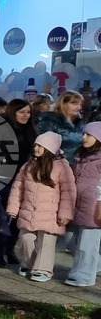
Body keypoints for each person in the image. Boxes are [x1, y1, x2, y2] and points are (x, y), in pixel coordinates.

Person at [6, 132, 75, 283]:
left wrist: (65, 214)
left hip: (51, 214)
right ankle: (28, 263)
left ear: (49, 148)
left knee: (46, 243)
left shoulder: (62, 167)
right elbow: (18, 188)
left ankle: (43, 269)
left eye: (40, 146)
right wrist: (13, 208)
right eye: (36, 145)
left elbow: (68, 192)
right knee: (26, 239)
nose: (35, 148)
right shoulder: (28, 166)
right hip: (28, 211)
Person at [0, 99, 37, 267]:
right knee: (2, 217)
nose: (26, 115)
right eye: (22, 112)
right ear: (13, 112)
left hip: (24, 179)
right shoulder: (0, 129)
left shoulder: (31, 131)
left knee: (19, 217)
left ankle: (9, 249)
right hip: (2, 178)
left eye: (28, 112)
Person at [65, 122, 101, 287]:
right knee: (70, 241)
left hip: (94, 207)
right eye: (84, 134)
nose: (84, 137)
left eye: (88, 134)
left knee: (87, 244)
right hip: (75, 203)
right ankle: (96, 264)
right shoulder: (79, 154)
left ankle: (84, 276)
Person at [37, 91, 84, 166]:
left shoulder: (80, 122)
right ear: (63, 104)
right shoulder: (49, 120)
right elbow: (45, 146)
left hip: (78, 166)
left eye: (80, 104)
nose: (79, 107)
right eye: (74, 103)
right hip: (56, 166)